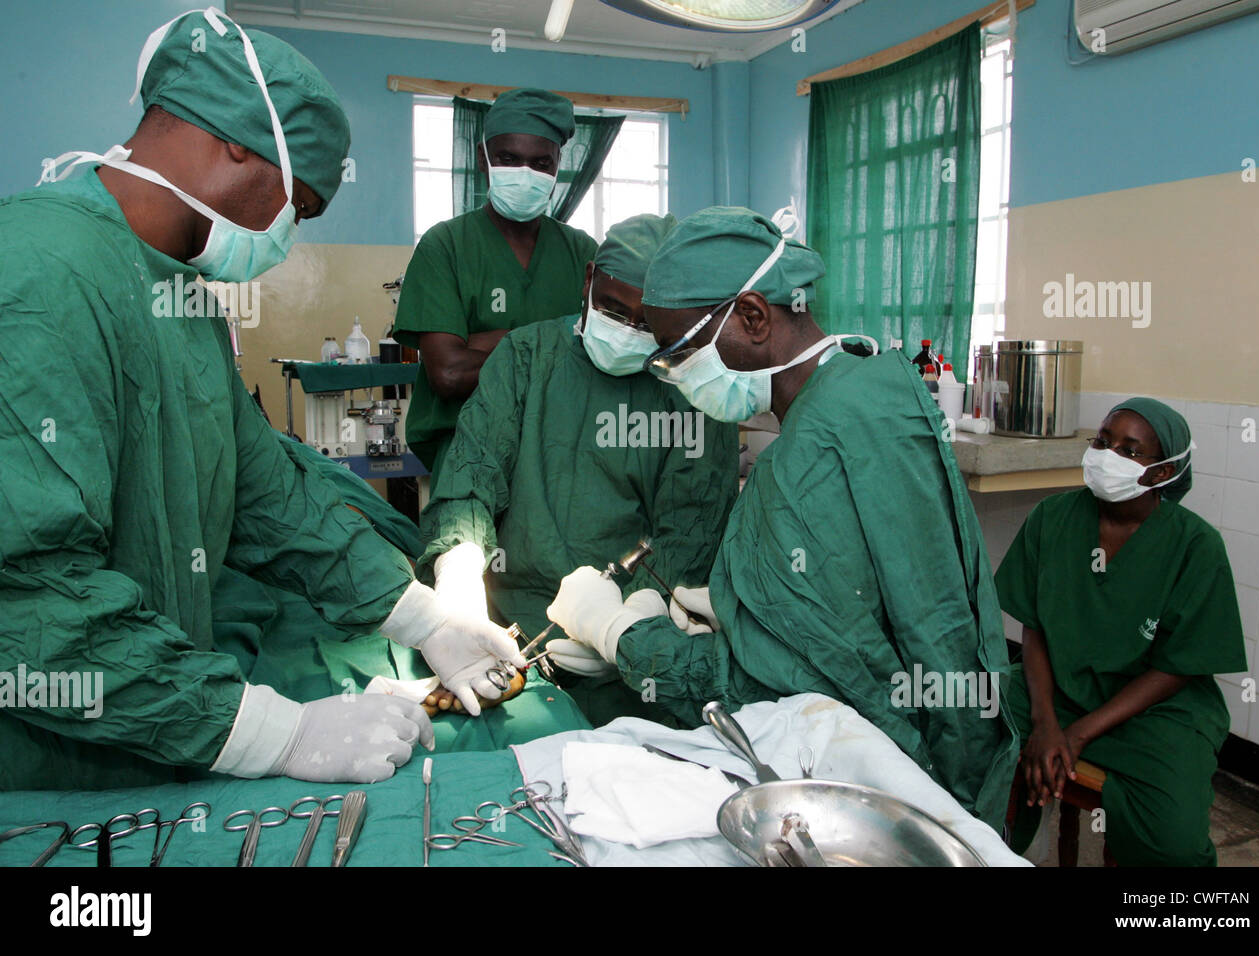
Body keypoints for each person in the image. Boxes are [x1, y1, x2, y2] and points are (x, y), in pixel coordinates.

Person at [0, 9, 522, 792]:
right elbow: (27, 599)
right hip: (45, 772)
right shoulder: (37, 273)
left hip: (153, 742)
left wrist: (423, 617)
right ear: (238, 143)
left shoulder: (181, 295)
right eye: (300, 207)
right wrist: (266, 733)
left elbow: (260, 489)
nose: (290, 233)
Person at [545, 207, 1016, 824]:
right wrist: (747, 609)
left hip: (886, 784)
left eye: (678, 353)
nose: (675, 375)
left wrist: (617, 633)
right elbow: (887, 602)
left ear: (752, 315)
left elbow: (769, 692)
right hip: (951, 743)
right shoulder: (874, 384)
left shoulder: (803, 462)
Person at [419, 214, 738, 726]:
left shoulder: (692, 390)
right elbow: (471, 476)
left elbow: (690, 532)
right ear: (589, 280)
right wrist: (458, 575)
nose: (627, 331)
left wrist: (626, 621)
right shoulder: (526, 357)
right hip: (502, 632)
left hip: (630, 658)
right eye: (613, 309)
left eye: (646, 324)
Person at [995, 398, 1246, 866]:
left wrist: (1078, 735)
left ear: (1162, 471)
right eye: (1103, 442)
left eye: (1130, 451)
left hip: (1153, 713)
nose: (1107, 456)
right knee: (961, 726)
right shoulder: (1052, 519)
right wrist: (1047, 722)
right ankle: (1014, 836)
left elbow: (1176, 668)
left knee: (1172, 842)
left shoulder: (1195, 546)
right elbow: (1036, 630)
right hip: (1058, 690)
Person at [393, 88, 597, 480]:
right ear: (483, 159)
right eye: (509, 158)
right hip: (468, 457)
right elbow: (449, 375)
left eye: (541, 163)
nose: (525, 173)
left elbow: (599, 368)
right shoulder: (446, 246)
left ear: (557, 167)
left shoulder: (582, 253)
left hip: (563, 461)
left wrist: (489, 341)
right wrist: (554, 344)